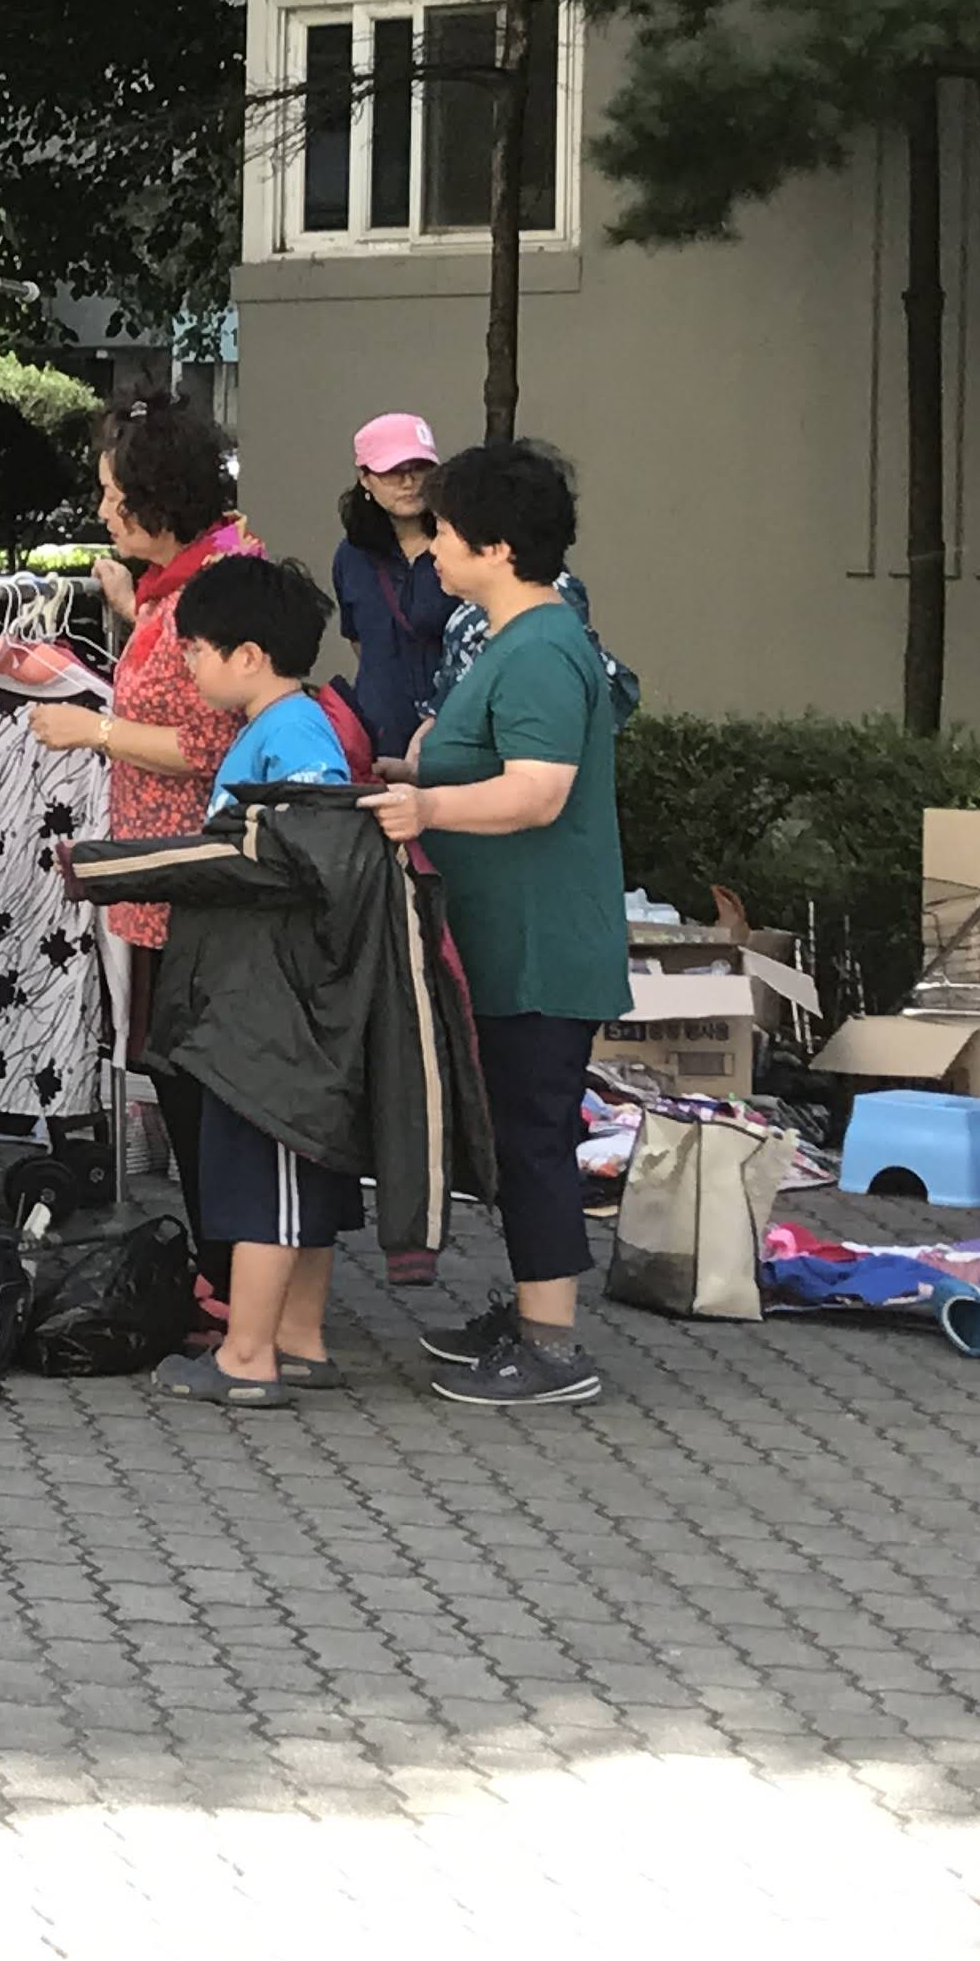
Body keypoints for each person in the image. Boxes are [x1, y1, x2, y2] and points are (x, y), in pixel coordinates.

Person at [362, 438, 628, 1411]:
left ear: (500, 548)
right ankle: (528, 1316)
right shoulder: (515, 641)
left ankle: (552, 1346)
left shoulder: (544, 648)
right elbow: (485, 761)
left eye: (446, 530)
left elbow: (538, 790)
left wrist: (428, 807)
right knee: (517, 1137)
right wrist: (410, 776)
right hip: (508, 943)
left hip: (539, 948)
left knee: (534, 1138)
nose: (432, 546)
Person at [25, 395, 257, 1303]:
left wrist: (92, 731)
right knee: (181, 1081)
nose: (102, 509)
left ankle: (228, 1280)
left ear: (157, 496)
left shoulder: (212, 593)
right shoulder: (184, 584)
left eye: (113, 493)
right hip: (166, 881)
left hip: (190, 883)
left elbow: (208, 743)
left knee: (196, 1087)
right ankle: (223, 1273)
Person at [146, 555, 359, 1408]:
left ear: (249, 655)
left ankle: (247, 1356)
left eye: (195, 650)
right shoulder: (277, 724)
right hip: (277, 989)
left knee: (266, 1173)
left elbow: (307, 849)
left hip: (274, 993)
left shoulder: (294, 733)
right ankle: (297, 1338)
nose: (188, 666)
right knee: (300, 1170)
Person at [332, 412, 453, 770]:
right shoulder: (351, 555)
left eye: (420, 468)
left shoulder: (463, 545)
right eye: (392, 471)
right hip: (379, 738)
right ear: (365, 478)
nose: (408, 482)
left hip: (455, 735)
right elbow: (358, 640)